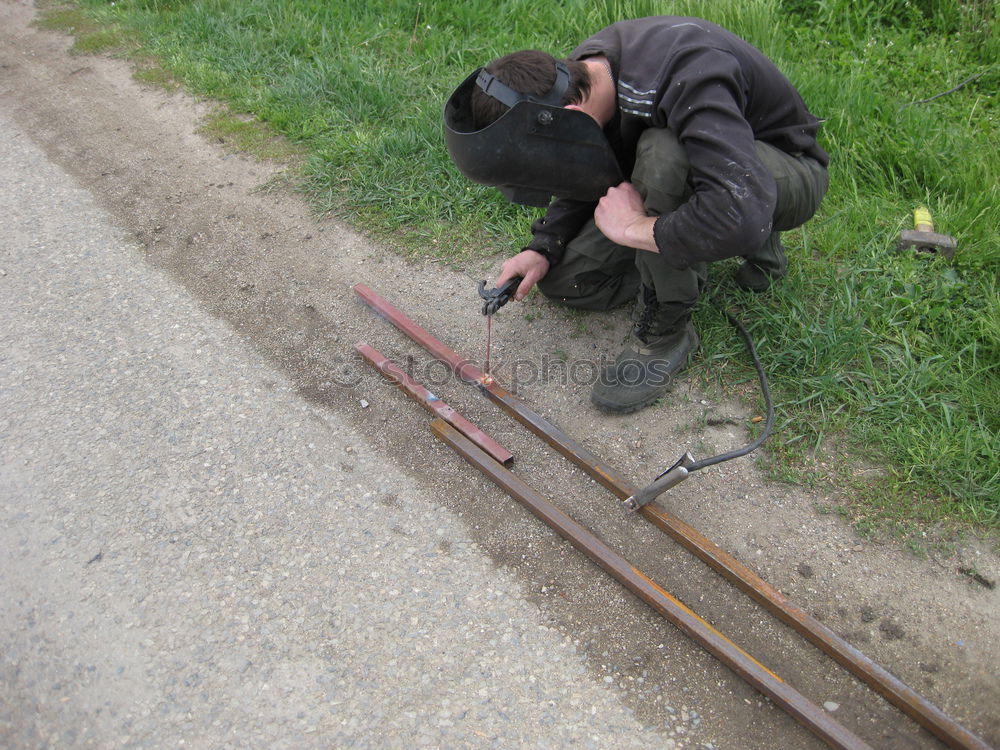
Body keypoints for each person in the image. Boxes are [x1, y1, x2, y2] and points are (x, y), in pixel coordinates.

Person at [444, 16, 829, 413]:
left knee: (664, 153)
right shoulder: (578, 80)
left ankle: (666, 332)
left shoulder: (690, 73)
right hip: (718, 177)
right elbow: (584, 163)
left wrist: (634, 227)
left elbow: (742, 212)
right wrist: (543, 247)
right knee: (570, 281)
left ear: (572, 113)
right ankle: (688, 237)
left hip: (776, 176)